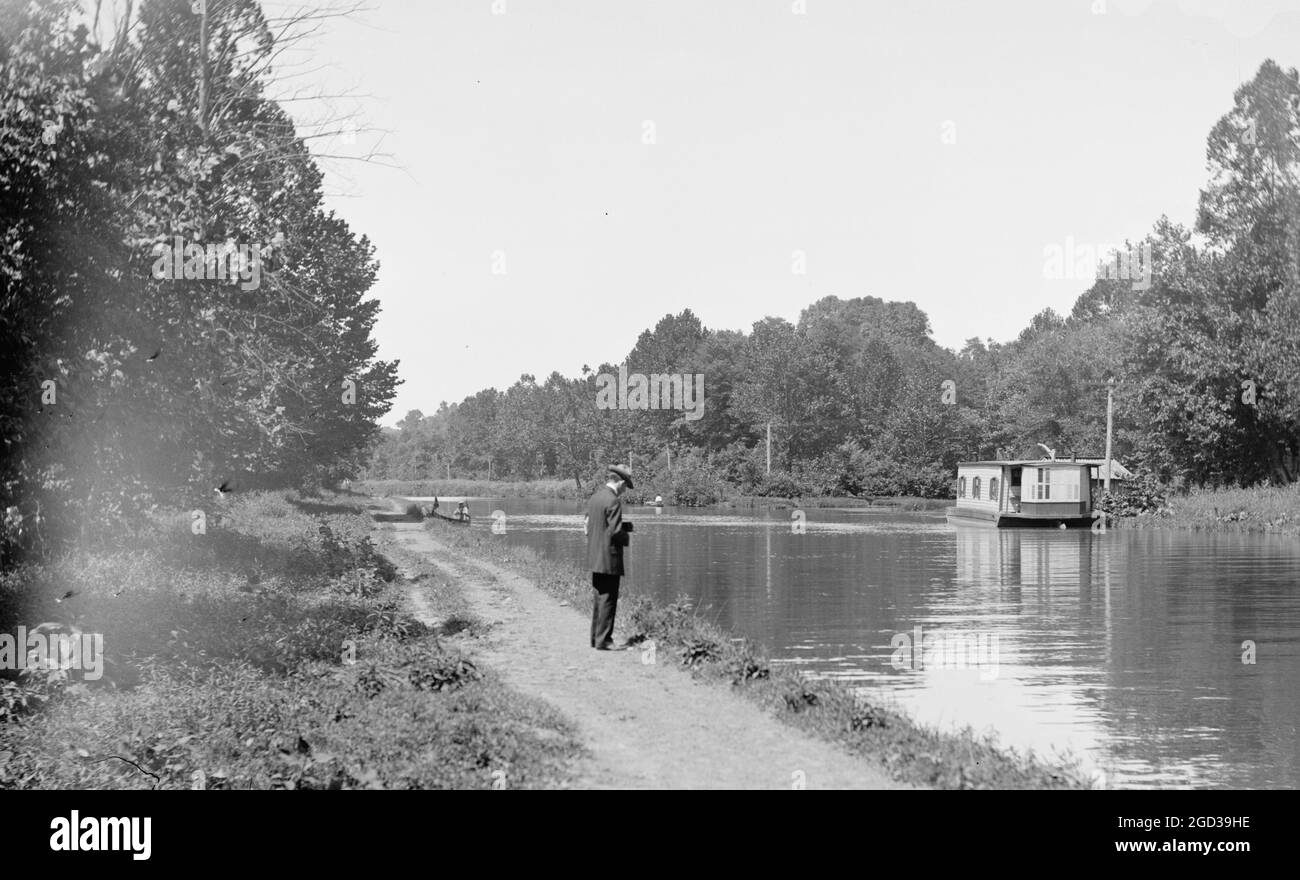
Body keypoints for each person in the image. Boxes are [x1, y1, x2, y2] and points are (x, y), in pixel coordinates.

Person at [583, 464, 633, 650]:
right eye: (626, 485)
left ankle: (596, 639)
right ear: (619, 482)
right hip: (608, 558)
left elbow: (592, 525)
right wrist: (626, 537)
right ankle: (605, 640)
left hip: (595, 556)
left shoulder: (596, 498)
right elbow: (615, 531)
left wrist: (623, 527)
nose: (625, 490)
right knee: (608, 599)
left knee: (599, 598)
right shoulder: (613, 501)